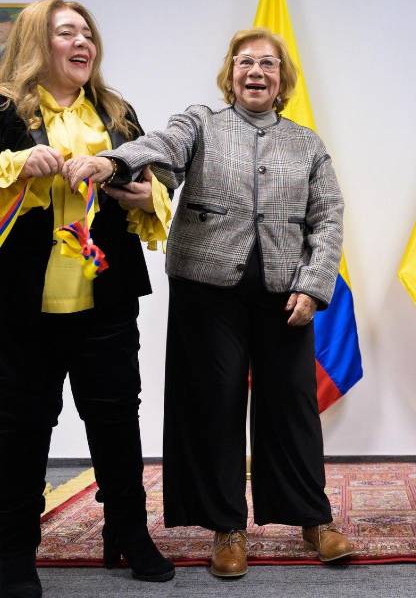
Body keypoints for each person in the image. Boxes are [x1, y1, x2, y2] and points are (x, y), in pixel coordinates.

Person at [63, 28, 353, 577]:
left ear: (282, 79)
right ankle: (227, 528)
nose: (256, 72)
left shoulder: (307, 143)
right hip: (206, 289)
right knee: (214, 405)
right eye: (245, 62)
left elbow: (329, 218)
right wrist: (112, 162)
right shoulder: (200, 123)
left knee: (291, 406)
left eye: (268, 63)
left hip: (284, 290)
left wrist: (315, 285)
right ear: (230, 74)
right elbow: (162, 149)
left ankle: (313, 520)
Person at [0, 0, 175, 598]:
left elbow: (153, 181)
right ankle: (14, 551)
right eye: (65, 32)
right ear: (35, 43)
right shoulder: (3, 110)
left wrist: (140, 195)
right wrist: (20, 164)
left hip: (104, 290)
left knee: (115, 417)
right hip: (21, 303)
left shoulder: (117, 111)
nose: (83, 43)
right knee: (20, 428)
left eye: (87, 33)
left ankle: (126, 532)